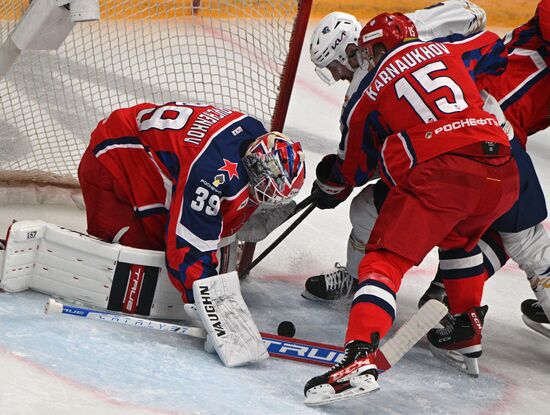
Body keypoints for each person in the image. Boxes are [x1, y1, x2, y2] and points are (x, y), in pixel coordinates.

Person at [303, 14, 519, 405]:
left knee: (382, 262)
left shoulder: (367, 91)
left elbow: (353, 168)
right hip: (501, 168)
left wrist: (330, 183)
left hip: (442, 174)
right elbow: (492, 47)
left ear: (372, 48)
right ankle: (465, 329)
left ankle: (356, 357)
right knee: (458, 242)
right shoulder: (446, 48)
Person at [304, 0, 488, 302]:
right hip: (490, 144)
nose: (336, 76)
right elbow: (473, 12)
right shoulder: (410, 28)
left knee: (369, 210)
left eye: (334, 66)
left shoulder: (360, 94)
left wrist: (332, 182)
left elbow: (358, 168)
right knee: (487, 221)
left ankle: (360, 281)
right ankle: (450, 295)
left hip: (445, 161)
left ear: (350, 52)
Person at [78, 101, 305, 304]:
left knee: (208, 211)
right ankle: (231, 223)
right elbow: (187, 247)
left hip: (160, 151)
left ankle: (234, 222)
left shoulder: (254, 134)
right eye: (264, 188)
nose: (263, 196)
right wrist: (208, 302)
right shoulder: (208, 172)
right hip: (112, 158)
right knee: (143, 256)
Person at [419, 0, 550, 337]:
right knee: (522, 233)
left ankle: (449, 288)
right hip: (491, 124)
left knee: (494, 219)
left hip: (482, 121)